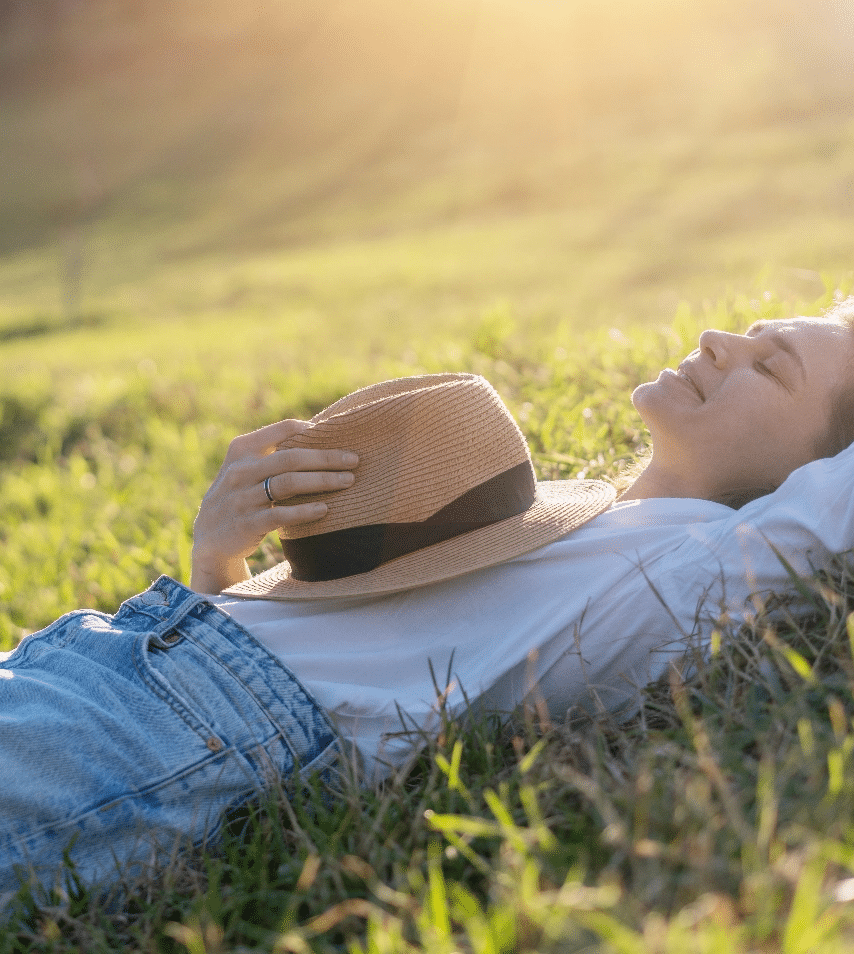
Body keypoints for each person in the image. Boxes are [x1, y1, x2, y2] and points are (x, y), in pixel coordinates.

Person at [3, 300, 854, 910]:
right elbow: (347, 649)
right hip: (108, 660)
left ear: (808, 470)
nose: (718, 341)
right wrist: (217, 562)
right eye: (749, 333)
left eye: (769, 364)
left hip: (156, 728)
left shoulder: (691, 568)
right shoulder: (554, 509)